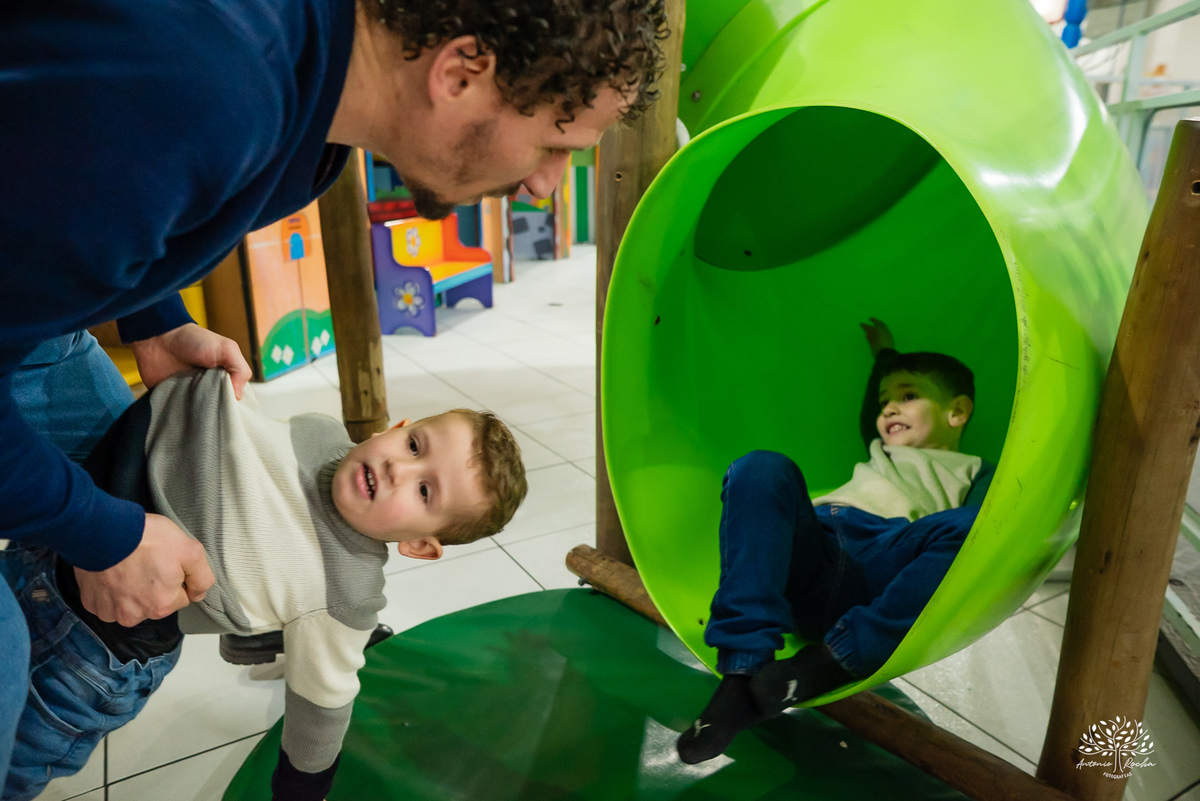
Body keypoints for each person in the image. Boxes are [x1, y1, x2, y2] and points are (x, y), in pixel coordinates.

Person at [0, 0, 668, 778]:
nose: (544, 189)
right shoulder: (212, 87)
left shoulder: (308, 130)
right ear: (460, 73)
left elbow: (86, 188)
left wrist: (154, 318)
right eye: (557, 145)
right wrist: (97, 529)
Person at [1, 367, 528, 801]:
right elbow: (252, 483)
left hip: (93, 651)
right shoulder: (319, 432)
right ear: (395, 427)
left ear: (419, 545)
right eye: (414, 445)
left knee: (13, 754)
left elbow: (322, 706)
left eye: (424, 491)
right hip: (58, 541)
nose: (397, 468)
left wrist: (299, 792)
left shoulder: (346, 597)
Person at [675, 320, 995, 764]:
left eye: (907, 397)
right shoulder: (881, 446)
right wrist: (885, 353)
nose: (888, 411)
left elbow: (994, 528)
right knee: (760, 468)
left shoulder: (978, 468)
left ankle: (830, 662)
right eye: (885, 402)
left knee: (971, 526)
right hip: (818, 547)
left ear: (957, 411)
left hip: (885, 563)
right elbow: (872, 410)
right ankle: (742, 669)